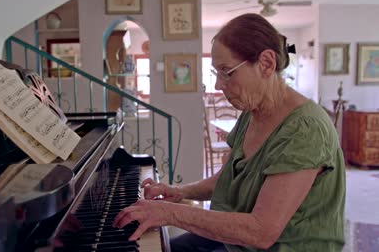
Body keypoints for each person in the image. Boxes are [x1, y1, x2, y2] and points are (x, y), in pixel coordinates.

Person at [112, 13, 345, 252]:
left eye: (227, 71)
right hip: (242, 239)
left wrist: (169, 213)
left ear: (266, 63)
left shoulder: (305, 130)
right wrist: (180, 192)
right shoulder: (252, 112)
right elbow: (227, 178)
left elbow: (261, 231)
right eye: (217, 73)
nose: (218, 85)